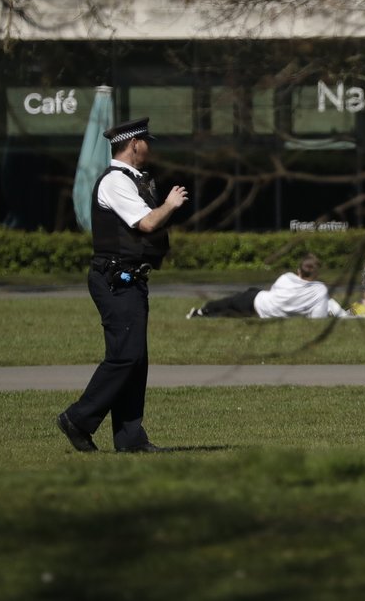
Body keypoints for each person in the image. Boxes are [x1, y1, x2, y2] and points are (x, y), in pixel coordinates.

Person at [57, 117, 188, 453]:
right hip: (115, 278)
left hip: (129, 278)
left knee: (136, 359)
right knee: (125, 356)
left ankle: (130, 439)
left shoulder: (132, 180)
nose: (150, 147)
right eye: (147, 141)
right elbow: (145, 222)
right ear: (133, 145)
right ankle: (77, 418)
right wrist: (170, 206)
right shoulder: (116, 181)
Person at [186, 253, 333, 319]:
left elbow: (274, 293)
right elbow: (318, 318)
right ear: (316, 274)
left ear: (299, 271)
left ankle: (201, 312)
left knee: (228, 304)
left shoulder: (287, 278)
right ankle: (202, 313)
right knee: (231, 309)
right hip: (259, 304)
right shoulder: (320, 290)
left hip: (258, 302)